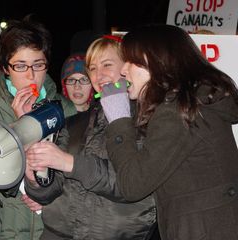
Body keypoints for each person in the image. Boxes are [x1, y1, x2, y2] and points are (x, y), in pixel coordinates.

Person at [100, 24, 238, 240]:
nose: (123, 70)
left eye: (131, 62)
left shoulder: (176, 112)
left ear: (157, 62)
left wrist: (118, 120)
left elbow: (133, 184)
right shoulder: (192, 102)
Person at [24, 35, 157, 240]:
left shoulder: (150, 122)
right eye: (92, 68)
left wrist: (70, 162)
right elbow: (49, 193)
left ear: (127, 67)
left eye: (106, 65)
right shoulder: (76, 123)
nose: (98, 75)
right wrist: (37, 176)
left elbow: (132, 184)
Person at [0, 15, 76, 240]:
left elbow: (72, 174)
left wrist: (48, 194)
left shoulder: (66, 109)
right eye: (20, 66)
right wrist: (24, 127)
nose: (30, 75)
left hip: (46, 228)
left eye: (38, 65)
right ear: (5, 68)